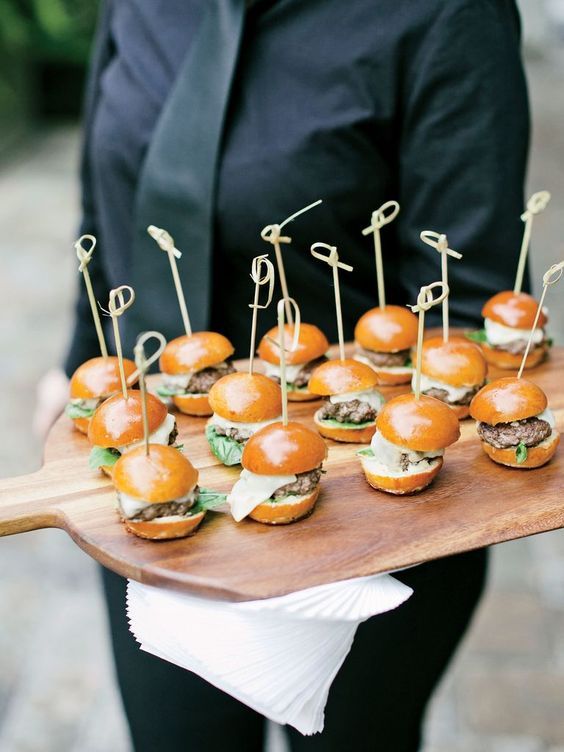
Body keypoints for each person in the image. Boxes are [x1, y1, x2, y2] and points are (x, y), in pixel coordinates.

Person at [35, 1, 529, 750]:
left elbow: (466, 301)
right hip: (151, 484)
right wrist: (76, 358)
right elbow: (107, 212)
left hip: (363, 524)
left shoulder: (450, 13)